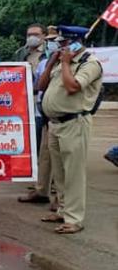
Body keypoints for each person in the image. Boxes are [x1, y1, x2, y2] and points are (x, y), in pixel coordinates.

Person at [38, 25, 103, 235]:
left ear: (76, 43)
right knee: (59, 173)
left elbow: (73, 87)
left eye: (64, 43)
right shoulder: (60, 62)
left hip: (74, 123)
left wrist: (65, 63)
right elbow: (41, 85)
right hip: (55, 124)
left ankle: (74, 219)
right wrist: (52, 63)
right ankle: (63, 210)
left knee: (73, 174)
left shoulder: (89, 64)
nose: (60, 46)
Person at [19, 28, 60, 209]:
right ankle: (42, 189)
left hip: (62, 116)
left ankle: (60, 196)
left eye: (58, 41)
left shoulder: (80, 64)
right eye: (29, 34)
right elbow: (39, 84)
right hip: (41, 112)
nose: (32, 38)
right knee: (43, 153)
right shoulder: (34, 59)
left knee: (60, 156)